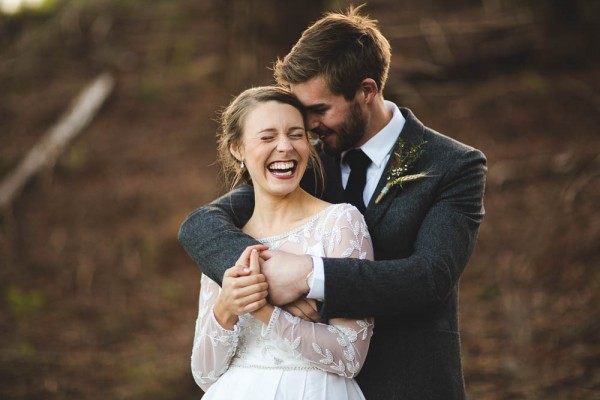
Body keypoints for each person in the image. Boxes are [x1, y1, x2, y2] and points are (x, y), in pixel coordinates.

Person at [180, 5, 486, 399]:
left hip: (409, 381)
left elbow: (430, 276)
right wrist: (266, 281)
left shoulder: (452, 164)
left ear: (367, 91)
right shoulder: (301, 159)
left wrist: (310, 277)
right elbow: (202, 224)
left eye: (319, 110)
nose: (307, 126)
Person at [190, 86, 375, 399]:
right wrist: (224, 310)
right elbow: (205, 374)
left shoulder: (340, 223)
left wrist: (265, 309)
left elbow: (350, 357)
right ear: (237, 148)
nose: (285, 147)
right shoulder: (226, 240)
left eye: (295, 134)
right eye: (267, 137)